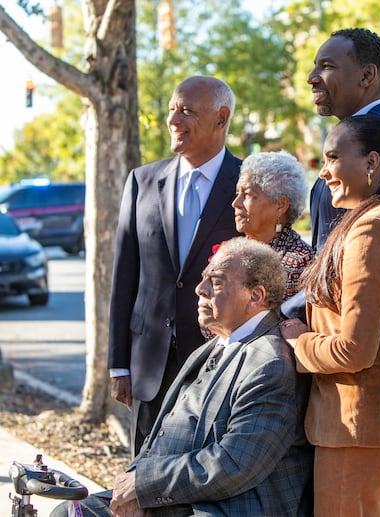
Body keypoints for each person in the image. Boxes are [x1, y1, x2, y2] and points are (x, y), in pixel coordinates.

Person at [52, 238, 313, 517]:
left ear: (255, 296)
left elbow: (236, 463)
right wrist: (133, 486)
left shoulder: (269, 362)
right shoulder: (214, 347)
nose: (200, 290)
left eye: (216, 282)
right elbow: (158, 437)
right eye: (203, 279)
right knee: (69, 511)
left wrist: (145, 486)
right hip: (176, 496)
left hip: (227, 506)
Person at [282, 114, 380, 516]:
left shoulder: (375, 228)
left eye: (333, 158)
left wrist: (298, 341)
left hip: (359, 430)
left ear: (371, 163)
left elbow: (354, 349)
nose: (324, 172)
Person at [108, 75, 241, 456]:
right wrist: (119, 364)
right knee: (142, 485)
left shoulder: (247, 184)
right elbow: (125, 277)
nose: (174, 120)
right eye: (171, 109)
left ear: (221, 118)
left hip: (217, 362)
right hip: (150, 365)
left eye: (186, 111)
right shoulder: (141, 182)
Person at [307, 27, 380, 252]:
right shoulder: (353, 137)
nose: (311, 78)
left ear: (366, 76)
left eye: (327, 66)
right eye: (315, 65)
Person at [232, 151, 314, 300]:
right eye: (238, 193)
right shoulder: (233, 251)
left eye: (248, 195)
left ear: (280, 205)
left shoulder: (300, 262)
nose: (236, 203)